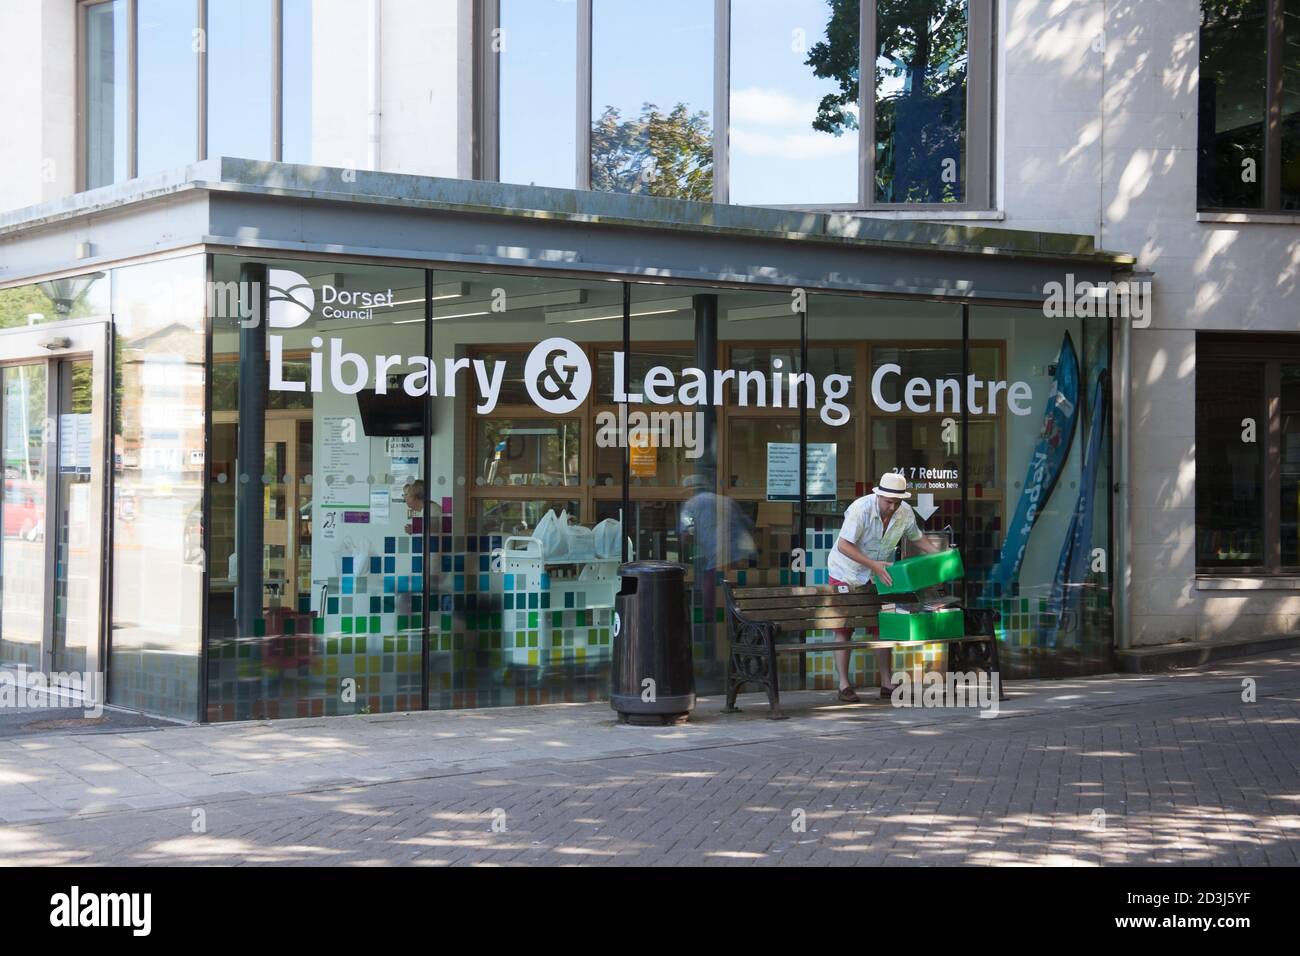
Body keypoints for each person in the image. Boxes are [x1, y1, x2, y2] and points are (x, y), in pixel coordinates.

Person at [826, 471, 944, 701]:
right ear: (879, 495)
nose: (892, 507)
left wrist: (938, 556)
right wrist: (873, 565)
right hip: (846, 572)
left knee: (883, 626)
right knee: (844, 628)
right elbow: (843, 546)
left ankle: (886, 683)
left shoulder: (905, 512)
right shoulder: (860, 510)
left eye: (897, 502)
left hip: (881, 574)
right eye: (889, 501)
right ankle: (843, 685)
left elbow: (917, 536)